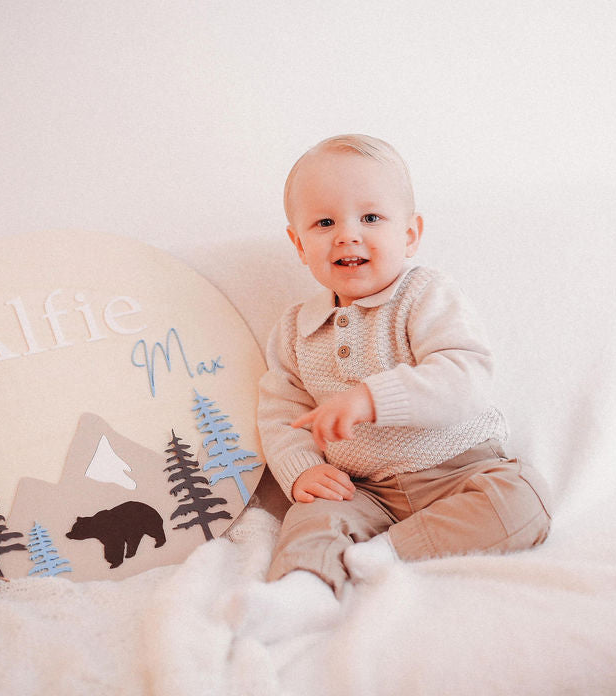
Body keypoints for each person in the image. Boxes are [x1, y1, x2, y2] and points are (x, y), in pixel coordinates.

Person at [233, 134, 552, 642]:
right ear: (299, 244)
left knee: (523, 499)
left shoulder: (424, 295)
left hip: (458, 469)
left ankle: (388, 553)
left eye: (371, 218)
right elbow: (280, 410)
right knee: (311, 519)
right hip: (363, 489)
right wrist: (302, 470)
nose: (347, 235)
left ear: (411, 234)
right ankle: (301, 594)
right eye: (324, 223)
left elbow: (464, 374)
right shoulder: (294, 330)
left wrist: (373, 397)